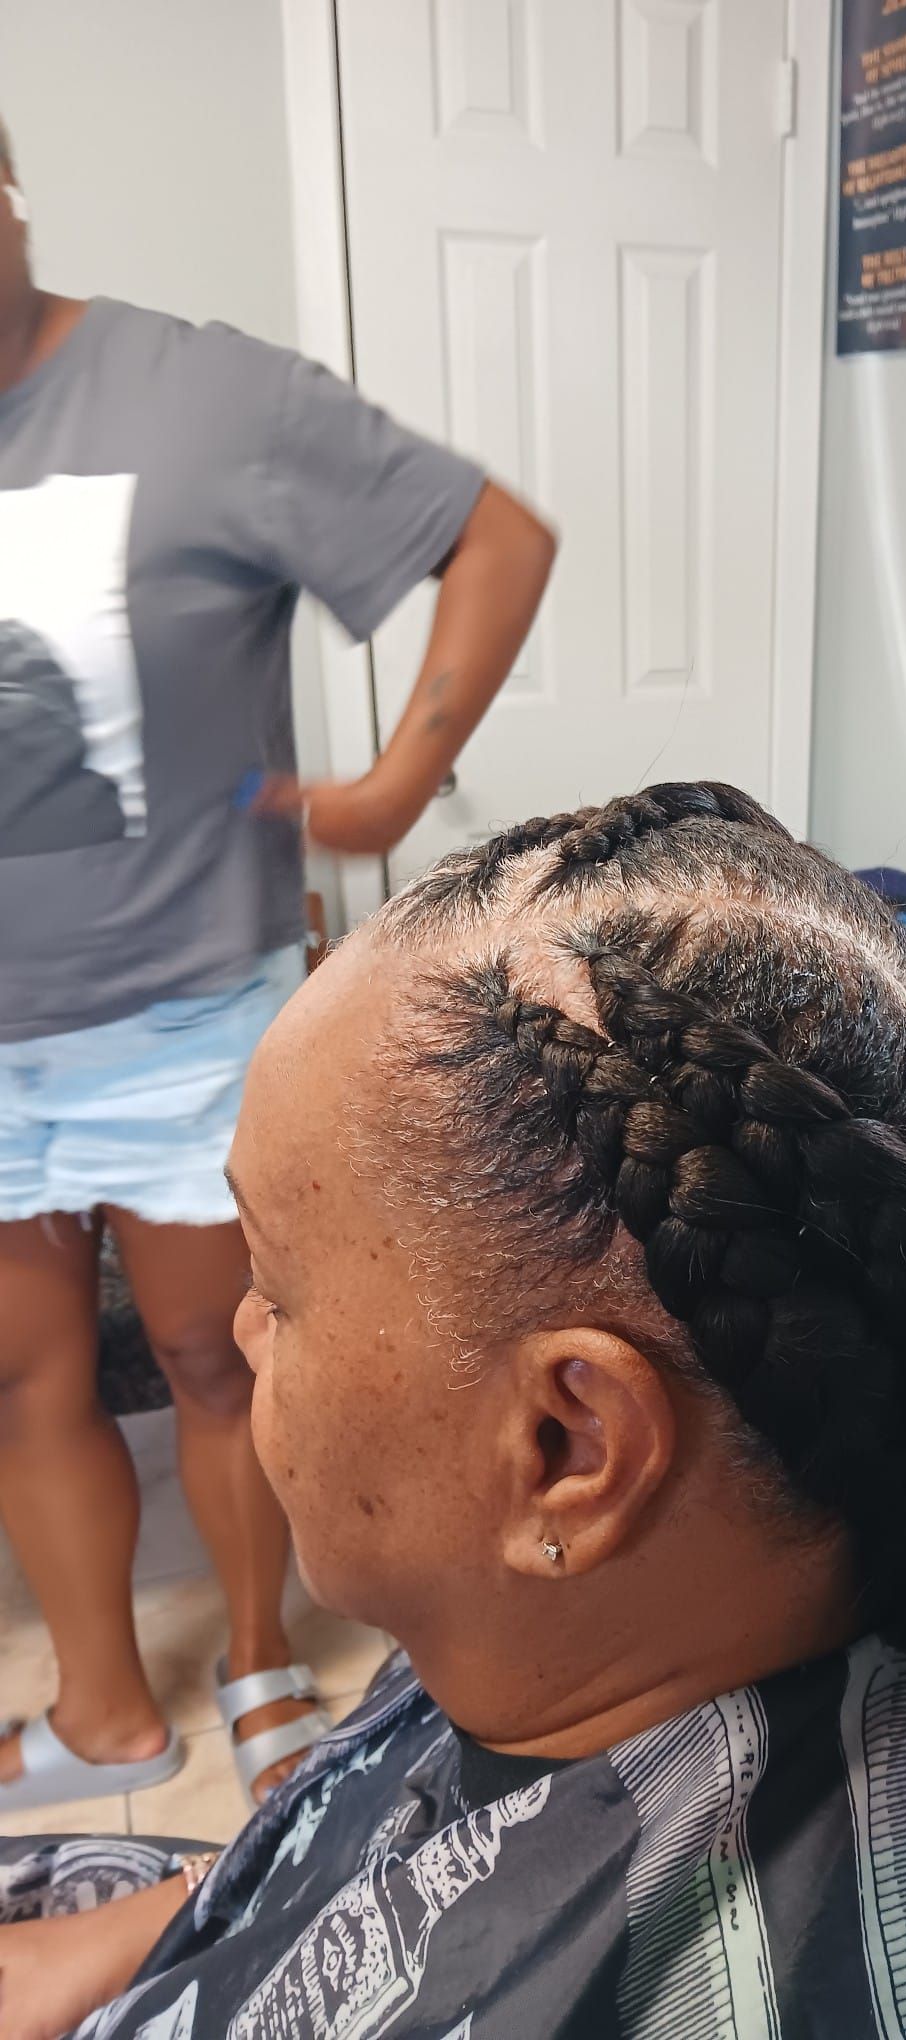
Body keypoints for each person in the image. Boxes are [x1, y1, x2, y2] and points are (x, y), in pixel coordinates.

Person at [0, 784, 906, 2038]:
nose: (238, 1333)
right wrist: (185, 1919)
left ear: (567, 1447)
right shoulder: (818, 1531)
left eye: (276, 1289)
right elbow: (373, 1835)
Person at [0, 113, 557, 1811]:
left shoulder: (199, 396)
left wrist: (390, 787)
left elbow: (495, 539)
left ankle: (256, 1664)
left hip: (182, 1004)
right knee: (21, 1375)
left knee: (213, 1357)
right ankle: (101, 1708)